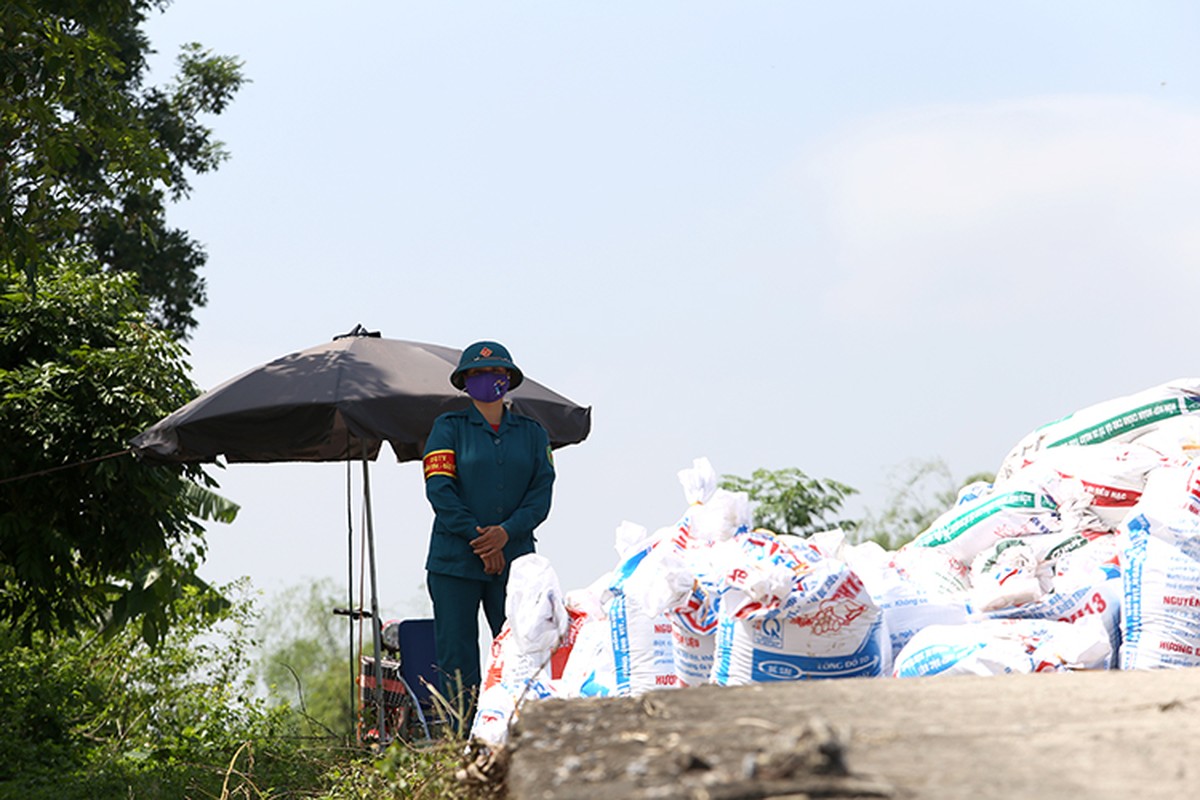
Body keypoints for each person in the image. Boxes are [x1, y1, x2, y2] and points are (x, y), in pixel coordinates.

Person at [421, 340, 555, 719]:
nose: (486, 379)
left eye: (495, 372)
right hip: (454, 564)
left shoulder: (533, 433)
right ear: (464, 381)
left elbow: (540, 496)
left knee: (521, 650)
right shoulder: (447, 429)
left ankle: (519, 729)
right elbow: (439, 490)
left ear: (509, 379)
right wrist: (481, 540)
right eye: (477, 373)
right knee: (457, 658)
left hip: (516, 565)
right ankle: (461, 739)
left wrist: (506, 533)